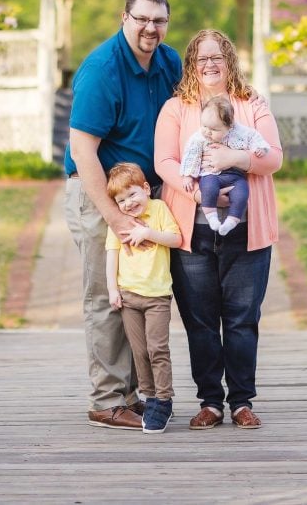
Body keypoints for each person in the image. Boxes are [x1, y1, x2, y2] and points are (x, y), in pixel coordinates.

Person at [63, 0, 182, 430]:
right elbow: (83, 151)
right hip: (99, 195)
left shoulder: (169, 61)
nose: (151, 28)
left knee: (141, 292)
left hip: (145, 196)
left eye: (159, 20)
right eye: (142, 19)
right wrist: (116, 219)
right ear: (124, 17)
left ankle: (137, 396)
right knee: (107, 295)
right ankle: (108, 400)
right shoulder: (102, 70)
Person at [155, 28, 282, 430]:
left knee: (243, 319)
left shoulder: (251, 104)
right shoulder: (176, 108)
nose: (210, 64)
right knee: (201, 321)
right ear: (192, 64)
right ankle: (210, 401)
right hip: (193, 230)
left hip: (248, 231)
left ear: (229, 60)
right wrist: (199, 196)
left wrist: (236, 157)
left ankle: (242, 401)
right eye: (201, 58)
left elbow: (273, 158)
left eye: (217, 57)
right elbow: (166, 162)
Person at [104, 162, 181, 434]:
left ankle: (164, 399)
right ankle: (149, 398)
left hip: (157, 295)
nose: (128, 203)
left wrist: (149, 233)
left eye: (133, 194)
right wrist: (113, 290)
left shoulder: (158, 209)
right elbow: (111, 255)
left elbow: (176, 238)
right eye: (121, 200)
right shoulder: (118, 222)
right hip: (129, 296)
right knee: (139, 351)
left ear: (146, 189)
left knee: (157, 349)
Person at [179, 95, 270, 236]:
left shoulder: (240, 132)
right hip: (210, 174)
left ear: (230, 126)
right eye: (204, 126)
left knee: (242, 194)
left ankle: (231, 221)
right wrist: (188, 176)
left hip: (235, 176)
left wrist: (260, 148)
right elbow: (191, 154)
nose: (207, 132)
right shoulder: (199, 137)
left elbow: (254, 137)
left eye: (214, 129)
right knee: (208, 189)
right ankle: (212, 217)